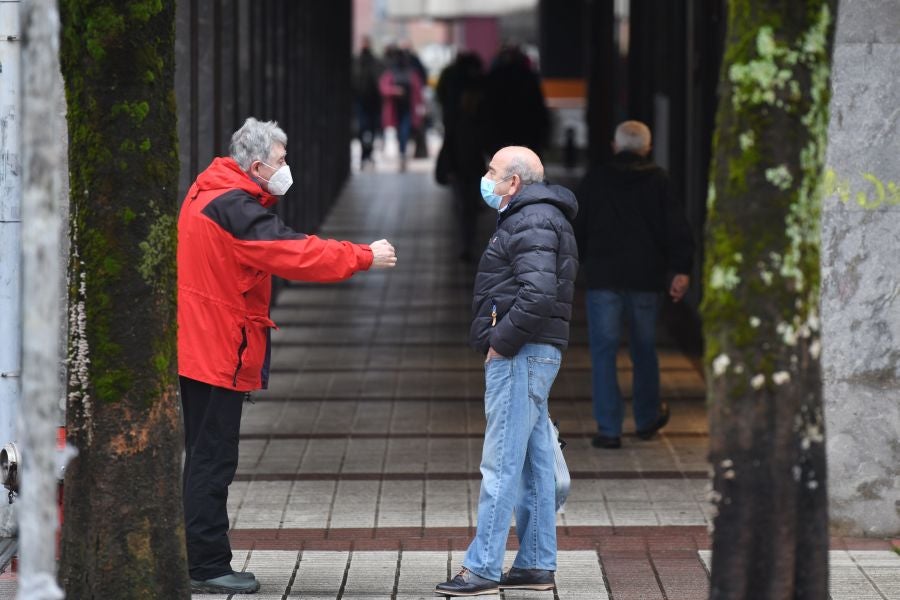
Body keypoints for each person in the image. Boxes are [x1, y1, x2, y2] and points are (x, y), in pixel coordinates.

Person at [177, 117, 397, 594]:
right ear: (256, 166)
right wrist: (362, 255)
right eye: (280, 161)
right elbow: (294, 252)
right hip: (217, 348)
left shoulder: (208, 189)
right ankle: (207, 564)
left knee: (204, 455)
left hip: (203, 342)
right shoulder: (233, 207)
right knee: (213, 459)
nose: (286, 168)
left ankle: (201, 557)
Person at [435, 146, 579, 596]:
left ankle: (481, 568)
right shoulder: (539, 216)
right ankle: (536, 563)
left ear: (514, 182)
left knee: (501, 464)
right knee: (535, 466)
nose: (487, 178)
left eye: (492, 172)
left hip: (522, 355)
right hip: (535, 353)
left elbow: (537, 294)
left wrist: (501, 343)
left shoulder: (530, 219)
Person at [574, 121, 694, 450]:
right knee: (644, 349)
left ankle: (609, 429)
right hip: (646, 278)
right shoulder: (659, 181)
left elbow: (578, 227)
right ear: (647, 148)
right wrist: (680, 269)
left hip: (603, 278)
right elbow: (676, 228)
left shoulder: (596, 179)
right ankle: (645, 419)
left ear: (615, 146)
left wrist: (574, 266)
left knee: (603, 352)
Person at [379, 46, 424, 172]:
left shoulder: (394, 72)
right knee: (401, 131)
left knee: (403, 130)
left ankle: (402, 151)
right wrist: (395, 91)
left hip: (406, 107)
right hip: (397, 108)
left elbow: (418, 91)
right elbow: (384, 88)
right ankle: (402, 151)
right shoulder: (408, 72)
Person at [352, 36, 382, 169]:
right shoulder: (359, 62)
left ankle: (367, 154)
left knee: (368, 129)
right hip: (363, 102)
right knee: (364, 129)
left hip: (370, 102)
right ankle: (366, 155)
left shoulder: (367, 62)